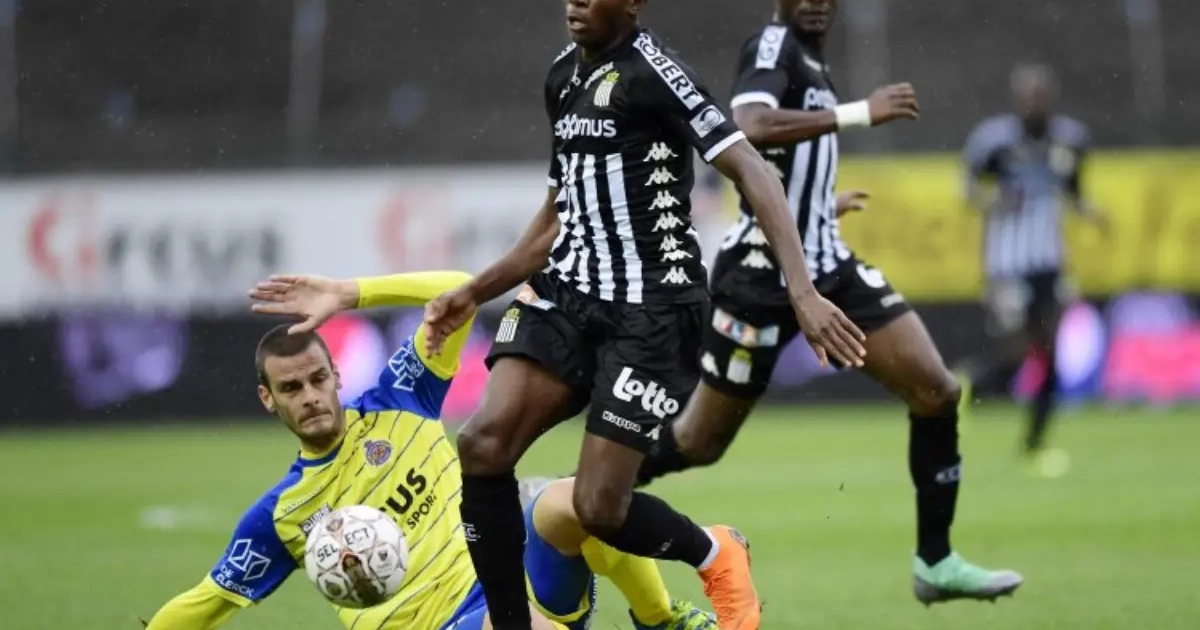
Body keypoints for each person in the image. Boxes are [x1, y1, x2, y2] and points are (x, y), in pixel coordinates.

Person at [420, 1, 867, 629]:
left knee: (599, 508)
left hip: (652, 310)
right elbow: (553, 219)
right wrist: (475, 291)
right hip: (569, 294)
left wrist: (803, 292)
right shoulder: (562, 76)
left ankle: (714, 551)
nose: (576, 2)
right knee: (482, 445)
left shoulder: (655, 73)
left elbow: (753, 169)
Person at [584, 0, 1025, 606]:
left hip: (830, 265)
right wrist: (860, 113)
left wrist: (819, 203)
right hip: (757, 277)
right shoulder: (774, 46)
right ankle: (576, 495)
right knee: (699, 442)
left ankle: (936, 560)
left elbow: (785, 160)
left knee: (937, 390)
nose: (815, 2)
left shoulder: (813, 62)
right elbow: (750, 124)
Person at [141, 271, 718, 630]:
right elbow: (206, 602)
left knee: (573, 500)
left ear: (336, 375)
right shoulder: (283, 514)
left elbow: (457, 288)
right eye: (291, 388)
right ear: (269, 399)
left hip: (513, 587)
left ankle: (662, 621)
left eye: (317, 379)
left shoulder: (400, 398)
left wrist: (351, 293)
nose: (311, 396)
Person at [957, 63, 1107, 477]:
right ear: (1017, 100)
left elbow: (1074, 192)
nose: (1034, 104)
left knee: (1052, 359)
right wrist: (994, 201)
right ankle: (963, 388)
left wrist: (1089, 211)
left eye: (1040, 96)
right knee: (1015, 359)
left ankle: (1034, 445)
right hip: (1007, 266)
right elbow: (967, 190)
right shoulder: (995, 141)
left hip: (1049, 264)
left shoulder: (1070, 140)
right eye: (1028, 97)